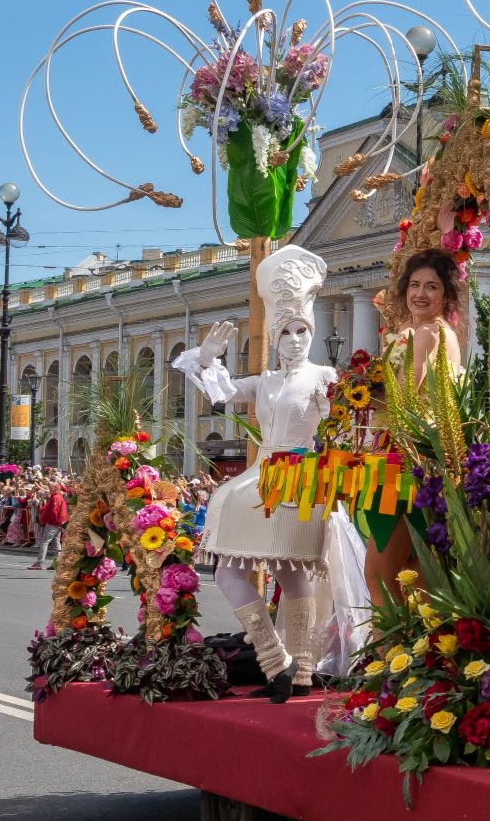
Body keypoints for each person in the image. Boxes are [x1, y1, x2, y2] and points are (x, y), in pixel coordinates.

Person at [175, 245, 344, 703]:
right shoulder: (266, 380)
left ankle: (301, 669)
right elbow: (223, 392)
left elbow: (344, 422)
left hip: (300, 477)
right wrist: (208, 357)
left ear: (312, 332)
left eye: (301, 329)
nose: (294, 338)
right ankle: (277, 660)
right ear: (273, 336)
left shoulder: (325, 376)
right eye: (285, 330)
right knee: (230, 571)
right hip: (260, 476)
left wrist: (337, 419)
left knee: (293, 574)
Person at [365, 248, 465, 605]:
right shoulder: (443, 333)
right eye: (415, 285)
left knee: (378, 577)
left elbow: (403, 398)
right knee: (418, 574)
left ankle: (380, 657)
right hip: (432, 460)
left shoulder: (425, 335)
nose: (420, 294)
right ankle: (411, 656)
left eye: (432, 287)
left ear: (446, 295)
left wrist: (359, 395)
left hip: (402, 461)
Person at [31, 484, 66, 569]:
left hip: (53, 523)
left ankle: (39, 563)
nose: (49, 490)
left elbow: (54, 511)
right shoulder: (56, 497)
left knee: (44, 542)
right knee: (56, 543)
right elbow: (47, 508)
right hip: (57, 523)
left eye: (50, 488)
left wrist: (49, 520)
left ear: (55, 488)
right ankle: (57, 563)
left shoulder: (56, 497)